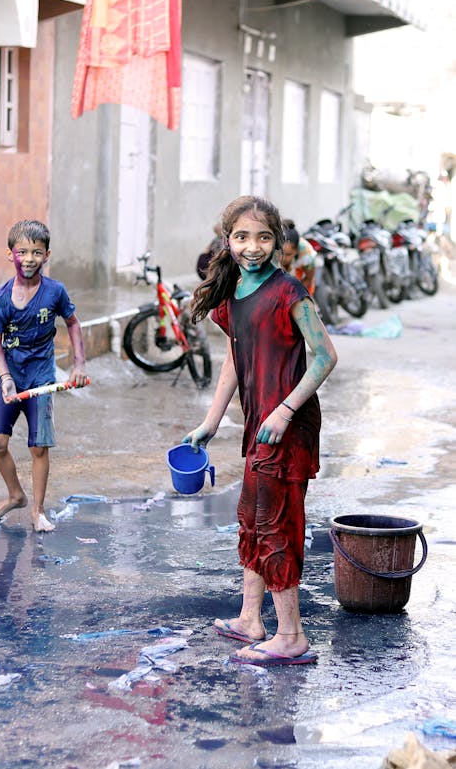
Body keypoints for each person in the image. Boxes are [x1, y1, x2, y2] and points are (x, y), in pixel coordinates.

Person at [183, 195, 337, 667]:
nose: (253, 247)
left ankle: (291, 636)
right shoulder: (233, 297)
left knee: (276, 526)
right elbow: (234, 356)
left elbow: (326, 356)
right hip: (259, 423)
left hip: (286, 426)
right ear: (226, 241)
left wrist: (285, 411)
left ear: (278, 243)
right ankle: (251, 619)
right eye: (242, 237)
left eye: (263, 237)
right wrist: (212, 421)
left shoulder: (289, 292)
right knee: (252, 518)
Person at [0, 219, 88, 533]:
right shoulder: (2, 298)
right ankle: (15, 495)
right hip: (10, 378)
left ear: (47, 255)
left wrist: (79, 364)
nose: (29, 258)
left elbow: (72, 323)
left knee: (39, 448)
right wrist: (5, 376)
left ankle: (38, 510)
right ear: (10, 255)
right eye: (23, 251)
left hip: (42, 379)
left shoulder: (55, 291)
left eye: (37, 252)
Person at [281, 219, 317, 295]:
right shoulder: (270, 249)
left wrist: (295, 295)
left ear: (296, 251)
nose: (283, 258)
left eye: (288, 254)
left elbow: (308, 278)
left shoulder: (307, 256)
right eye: (281, 253)